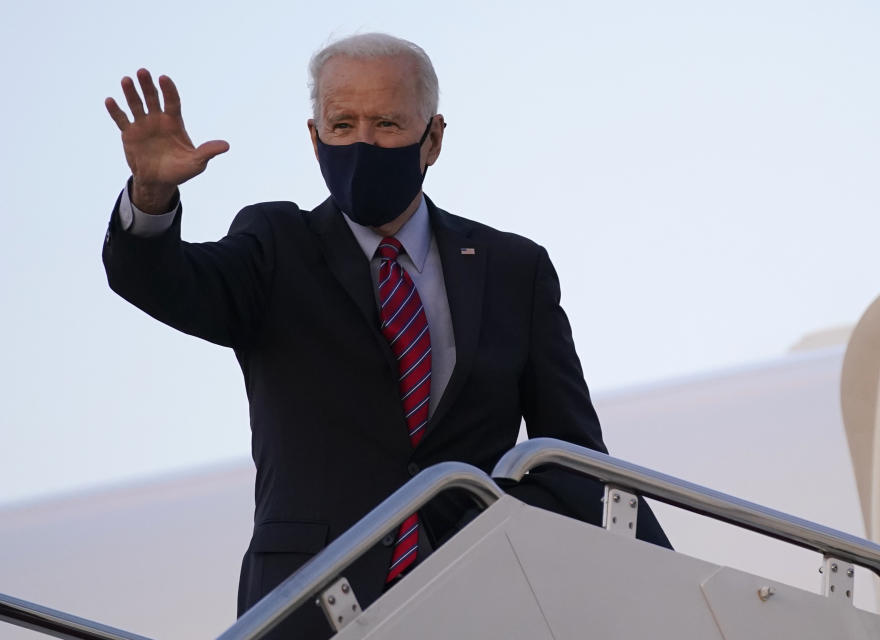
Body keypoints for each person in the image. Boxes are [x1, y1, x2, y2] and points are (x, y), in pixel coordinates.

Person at [102, 33, 670, 639]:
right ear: (314, 138)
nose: (363, 143)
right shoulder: (276, 246)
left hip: (484, 598)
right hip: (313, 601)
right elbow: (165, 283)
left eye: (387, 123)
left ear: (434, 138)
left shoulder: (513, 269)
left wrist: (646, 579)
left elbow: (572, 453)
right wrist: (152, 196)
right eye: (341, 125)